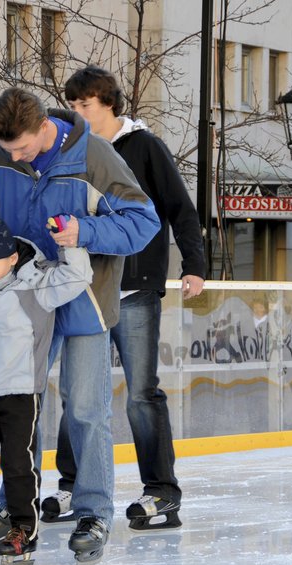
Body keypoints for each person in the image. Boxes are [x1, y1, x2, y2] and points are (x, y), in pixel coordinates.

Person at [0, 87, 160, 564]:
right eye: (8, 151)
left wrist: (84, 232)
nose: (15, 156)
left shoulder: (95, 156)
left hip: (83, 300)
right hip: (24, 303)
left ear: (45, 125)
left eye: (23, 148)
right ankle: (13, 507)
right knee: (16, 408)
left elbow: (142, 221)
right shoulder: (0, 154)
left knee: (86, 410)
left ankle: (92, 511)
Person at [42, 66, 205, 532]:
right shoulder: (70, 151)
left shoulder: (144, 147)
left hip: (133, 289)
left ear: (108, 104)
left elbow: (179, 208)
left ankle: (161, 491)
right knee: (77, 392)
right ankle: (73, 484)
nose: (76, 114)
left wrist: (193, 264)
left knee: (139, 393)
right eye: (70, 106)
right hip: (85, 290)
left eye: (85, 105)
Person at [0, 215, 92, 565]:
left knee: (18, 464)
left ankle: (23, 531)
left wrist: (69, 244)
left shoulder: (36, 285)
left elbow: (78, 276)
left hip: (21, 391)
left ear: (11, 259)